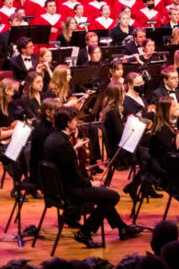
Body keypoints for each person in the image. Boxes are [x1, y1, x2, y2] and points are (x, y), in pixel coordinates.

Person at [42, 106, 143, 247]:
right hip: (69, 192)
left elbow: (63, 162)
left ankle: (122, 228)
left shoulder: (53, 138)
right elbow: (75, 178)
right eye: (74, 119)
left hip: (55, 190)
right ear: (67, 123)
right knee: (113, 196)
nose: (76, 122)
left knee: (105, 196)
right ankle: (85, 231)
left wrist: (74, 148)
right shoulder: (63, 145)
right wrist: (90, 183)